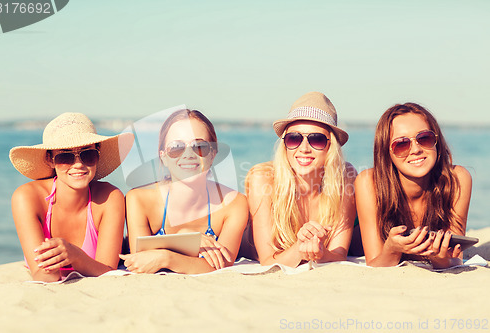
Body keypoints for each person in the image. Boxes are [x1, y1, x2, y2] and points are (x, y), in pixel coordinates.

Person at [9, 112, 134, 282]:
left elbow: (108, 272)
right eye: (65, 156)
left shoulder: (110, 198)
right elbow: (43, 275)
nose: (78, 164)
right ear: (50, 159)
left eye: (87, 154)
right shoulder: (27, 198)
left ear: (98, 154)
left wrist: (74, 256)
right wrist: (64, 259)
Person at [121, 109, 248, 274]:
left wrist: (166, 257)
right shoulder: (138, 200)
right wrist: (186, 239)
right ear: (163, 157)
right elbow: (141, 261)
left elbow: (221, 265)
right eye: (176, 147)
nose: (188, 155)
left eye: (200, 146)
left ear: (213, 154)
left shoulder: (233, 204)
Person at [244, 92, 357, 267]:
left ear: (330, 147)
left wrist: (321, 253)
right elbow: (267, 261)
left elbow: (339, 254)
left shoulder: (345, 177)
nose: (304, 148)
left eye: (317, 140)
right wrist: (300, 248)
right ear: (285, 143)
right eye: (294, 138)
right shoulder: (263, 178)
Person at [355, 103, 472, 268]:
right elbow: (374, 264)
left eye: (424, 138)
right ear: (386, 153)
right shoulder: (368, 183)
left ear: (437, 142)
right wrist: (392, 249)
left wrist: (439, 259)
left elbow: (455, 259)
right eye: (401, 144)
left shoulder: (457, 179)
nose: (416, 149)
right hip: (355, 240)